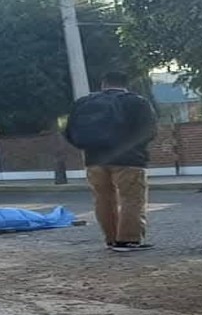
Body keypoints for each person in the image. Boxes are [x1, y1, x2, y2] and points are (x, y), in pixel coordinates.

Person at [65, 72, 157, 252]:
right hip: (129, 160)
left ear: (103, 84)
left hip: (94, 160)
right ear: (125, 85)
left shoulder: (84, 103)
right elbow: (149, 131)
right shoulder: (137, 102)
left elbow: (69, 132)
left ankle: (111, 239)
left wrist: (88, 147)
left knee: (103, 199)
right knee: (131, 198)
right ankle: (128, 240)